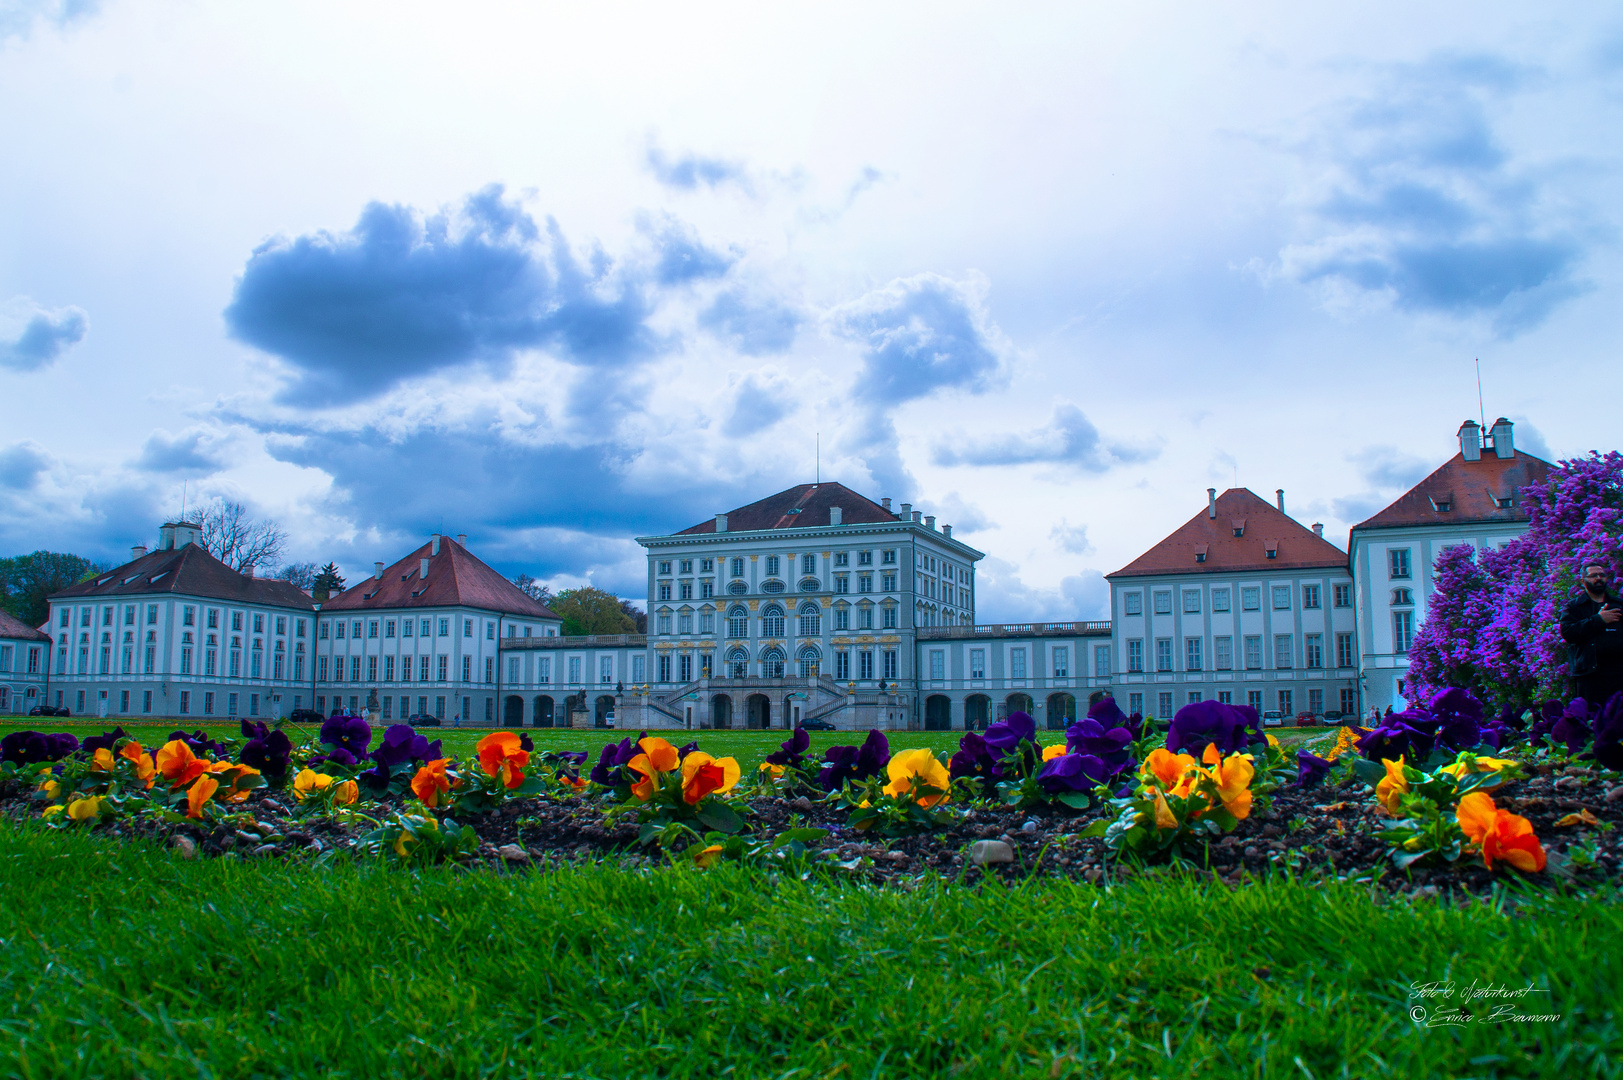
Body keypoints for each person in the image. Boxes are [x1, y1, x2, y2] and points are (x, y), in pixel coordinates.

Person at [1560, 561, 1623, 708]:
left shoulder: (1618, 605)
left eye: (1602, 575)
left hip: (1618, 674)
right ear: (1583, 581)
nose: (1598, 578)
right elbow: (1569, 633)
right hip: (1590, 676)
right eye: (1593, 575)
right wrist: (1599, 620)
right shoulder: (1574, 607)